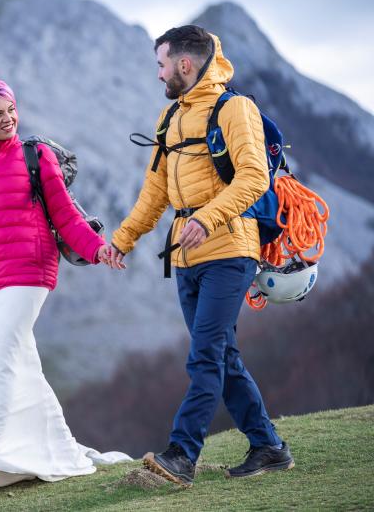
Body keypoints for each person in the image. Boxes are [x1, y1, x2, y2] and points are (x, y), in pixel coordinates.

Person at [107, 25, 294, 487]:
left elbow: (253, 178)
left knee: (205, 355)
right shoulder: (168, 119)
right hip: (187, 257)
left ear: (184, 65)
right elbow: (155, 192)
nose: (158, 74)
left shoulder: (236, 109)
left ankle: (181, 454)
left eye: (161, 64)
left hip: (231, 248)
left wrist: (206, 218)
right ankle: (268, 447)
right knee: (223, 356)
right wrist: (122, 239)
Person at [0, 77, 131, 496]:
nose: (8, 119)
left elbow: (65, 214)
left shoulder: (34, 153)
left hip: (28, 273)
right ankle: (57, 449)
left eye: (11, 110)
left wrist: (98, 249)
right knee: (16, 362)